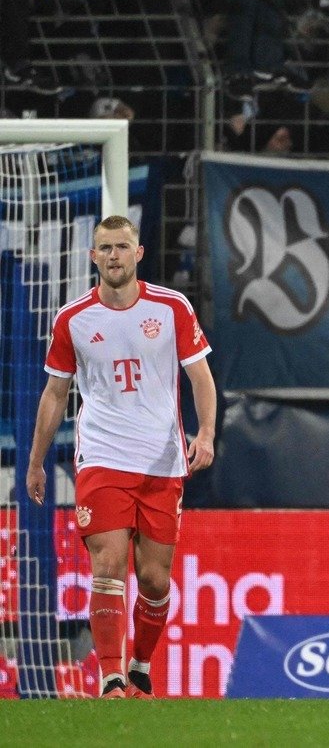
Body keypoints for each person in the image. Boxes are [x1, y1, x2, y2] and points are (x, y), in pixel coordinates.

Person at [25, 215, 216, 699]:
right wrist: (36, 460)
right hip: (102, 458)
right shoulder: (73, 318)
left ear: (139, 253)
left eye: (121, 247)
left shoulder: (172, 307)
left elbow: (200, 377)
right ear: (93, 257)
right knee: (108, 564)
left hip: (161, 460)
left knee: (153, 579)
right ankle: (110, 679)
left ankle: (139, 667)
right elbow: (54, 393)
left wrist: (208, 434)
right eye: (105, 248)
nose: (113, 255)